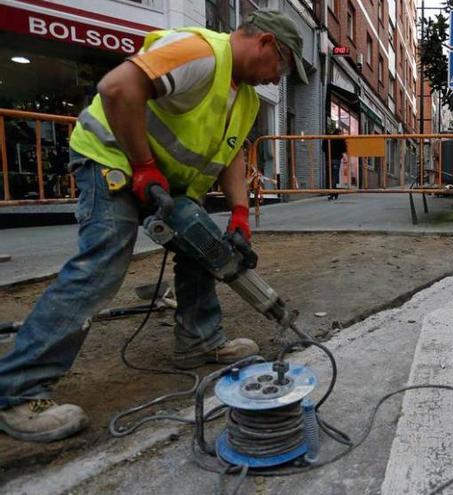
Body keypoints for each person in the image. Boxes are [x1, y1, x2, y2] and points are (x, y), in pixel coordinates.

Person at [0, 10, 310, 443]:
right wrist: (143, 165)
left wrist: (240, 213)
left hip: (166, 183)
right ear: (266, 45)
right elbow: (117, 87)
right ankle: (18, 390)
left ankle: (199, 342)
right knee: (103, 262)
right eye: (283, 66)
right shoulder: (200, 51)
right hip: (110, 160)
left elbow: (233, 155)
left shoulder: (248, 100)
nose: (279, 78)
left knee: (207, 248)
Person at [325, 127, 347, 200]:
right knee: (335, 176)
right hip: (336, 159)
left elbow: (323, 148)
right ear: (339, 133)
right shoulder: (340, 139)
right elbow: (344, 148)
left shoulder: (328, 138)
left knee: (329, 176)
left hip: (328, 159)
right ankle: (333, 192)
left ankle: (332, 192)